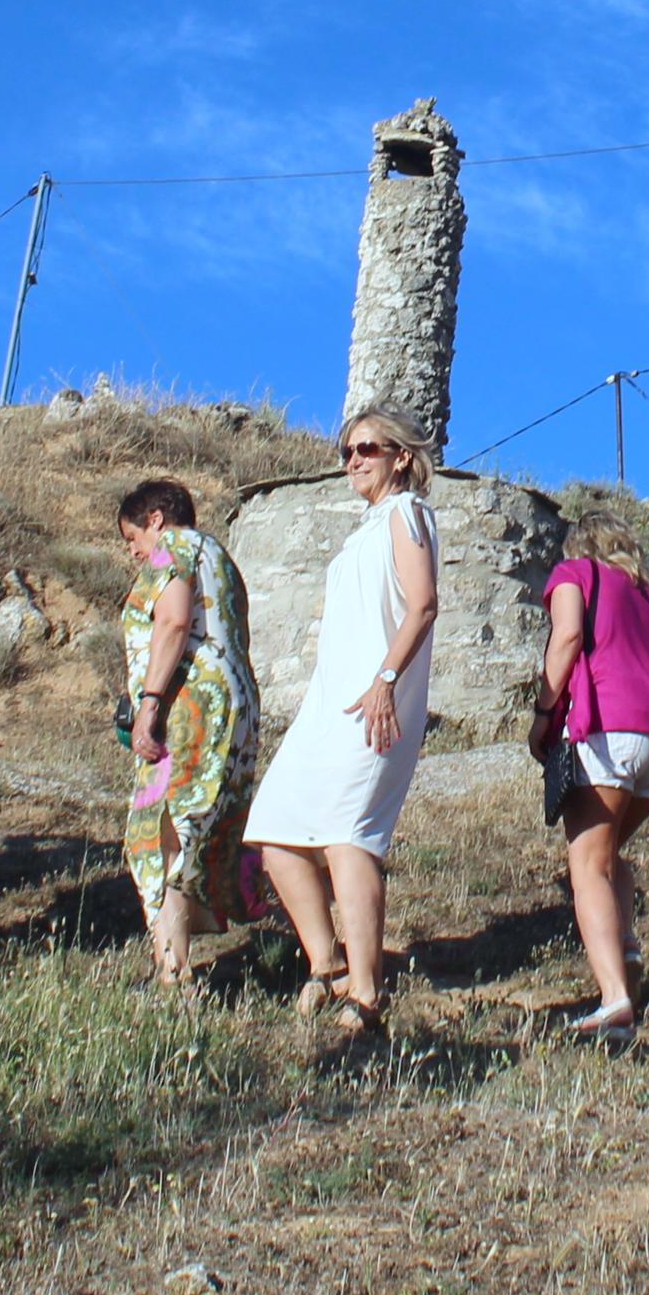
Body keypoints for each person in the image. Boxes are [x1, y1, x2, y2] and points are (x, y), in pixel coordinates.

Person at [245, 404, 444, 1029]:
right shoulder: (367, 525)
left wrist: (386, 679)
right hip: (328, 707)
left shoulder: (408, 512)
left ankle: (365, 992)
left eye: (368, 449)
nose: (354, 461)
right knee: (276, 831)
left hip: (374, 702)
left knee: (349, 835)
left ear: (401, 456)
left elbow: (423, 605)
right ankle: (325, 967)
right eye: (347, 452)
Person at [532, 520, 649, 1048]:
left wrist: (543, 713)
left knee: (586, 866)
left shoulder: (574, 573)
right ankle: (627, 957)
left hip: (610, 730)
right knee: (610, 860)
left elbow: (566, 636)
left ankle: (614, 1001)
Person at [114, 478, 263, 990]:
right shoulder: (220, 558)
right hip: (234, 706)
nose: (133, 550)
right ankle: (171, 963)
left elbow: (174, 622)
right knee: (194, 830)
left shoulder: (174, 547)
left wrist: (149, 704)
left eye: (132, 536)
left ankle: (171, 971)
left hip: (188, 710)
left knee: (158, 832)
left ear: (156, 518)